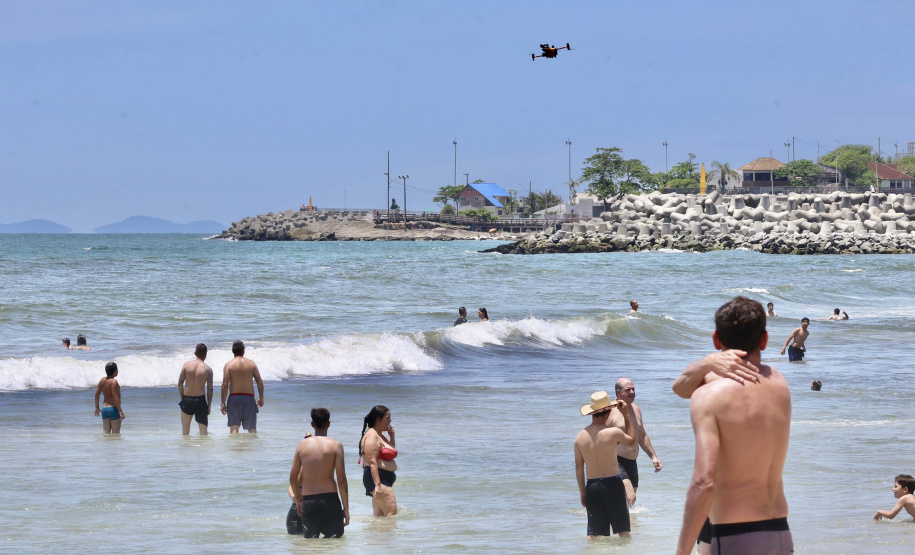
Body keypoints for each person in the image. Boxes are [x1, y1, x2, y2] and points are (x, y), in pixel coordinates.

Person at [672, 296, 792, 555]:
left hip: (736, 537)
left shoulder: (708, 396)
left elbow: (704, 482)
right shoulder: (780, 384)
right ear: (764, 339)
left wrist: (681, 552)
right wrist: (708, 365)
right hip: (780, 534)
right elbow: (679, 388)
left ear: (716, 339)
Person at [574, 391, 635, 538]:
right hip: (613, 484)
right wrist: (626, 414)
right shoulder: (612, 432)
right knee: (623, 531)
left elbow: (579, 468)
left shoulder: (579, 437)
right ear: (608, 412)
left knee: (593, 533)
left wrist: (583, 492)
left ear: (592, 413)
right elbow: (632, 440)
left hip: (592, 486)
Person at [288, 408, 349, 538]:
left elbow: (293, 477)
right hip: (330, 500)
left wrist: (298, 500)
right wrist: (346, 508)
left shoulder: (301, 445)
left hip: (309, 501)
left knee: (311, 543)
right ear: (328, 424)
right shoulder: (336, 445)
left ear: (312, 424)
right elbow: (342, 479)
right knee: (334, 542)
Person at [608, 378, 662, 508]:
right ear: (618, 392)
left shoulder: (636, 409)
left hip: (631, 462)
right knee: (630, 497)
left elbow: (642, 435)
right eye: (628, 390)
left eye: (633, 389)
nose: (632, 392)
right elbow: (601, 436)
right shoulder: (610, 410)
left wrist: (653, 457)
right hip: (615, 460)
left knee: (629, 504)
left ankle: (626, 526)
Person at [359, 405, 397, 517]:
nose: (390, 420)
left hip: (383, 479)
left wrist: (392, 436)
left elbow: (390, 454)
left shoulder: (380, 435)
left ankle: (377, 535)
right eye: (388, 417)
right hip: (378, 480)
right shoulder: (371, 436)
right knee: (392, 514)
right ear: (378, 420)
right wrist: (378, 486)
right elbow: (372, 462)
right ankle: (391, 535)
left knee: (379, 518)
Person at [220, 340, 264, 434]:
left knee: (234, 429)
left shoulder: (229, 365)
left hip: (234, 398)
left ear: (233, 351)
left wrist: (223, 403)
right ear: (243, 351)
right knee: (252, 430)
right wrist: (261, 397)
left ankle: (235, 448)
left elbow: (225, 385)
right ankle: (252, 448)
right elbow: (259, 381)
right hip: (249, 398)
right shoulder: (251, 364)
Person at [178, 343, 214, 435]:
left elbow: (180, 383)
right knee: (203, 433)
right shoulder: (208, 369)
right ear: (205, 354)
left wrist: (183, 399)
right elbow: (210, 389)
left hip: (187, 399)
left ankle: (186, 448)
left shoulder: (186, 365)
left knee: (185, 432)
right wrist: (209, 405)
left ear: (195, 353)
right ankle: (203, 449)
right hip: (200, 401)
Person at [94, 362, 124, 434]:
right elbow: (115, 397)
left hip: (104, 409)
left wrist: (97, 408)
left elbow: (97, 395)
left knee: (106, 433)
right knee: (115, 434)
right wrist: (120, 411)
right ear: (115, 372)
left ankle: (105, 445)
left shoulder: (102, 380)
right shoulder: (114, 382)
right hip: (113, 409)